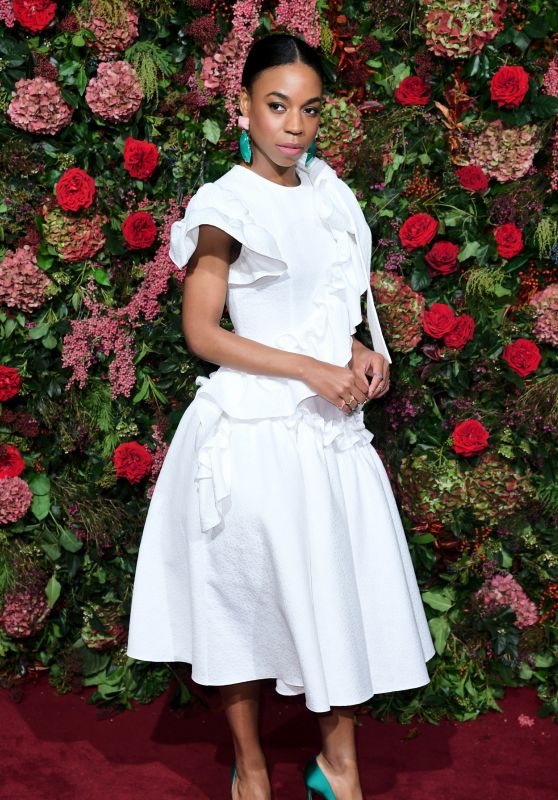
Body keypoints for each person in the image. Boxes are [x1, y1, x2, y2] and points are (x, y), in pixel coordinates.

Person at [126, 32, 436, 800]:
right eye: (276, 106)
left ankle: (338, 767)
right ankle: (253, 769)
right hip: (251, 432)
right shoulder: (227, 204)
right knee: (242, 605)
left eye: (309, 110)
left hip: (331, 433)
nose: (293, 125)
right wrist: (310, 367)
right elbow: (202, 333)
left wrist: (367, 353)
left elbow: (340, 302)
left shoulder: (330, 189)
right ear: (243, 108)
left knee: (338, 596)